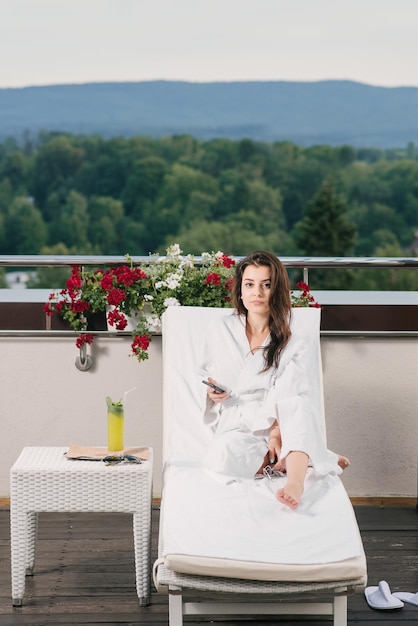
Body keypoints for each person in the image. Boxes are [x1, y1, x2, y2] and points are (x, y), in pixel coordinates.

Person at [199, 250, 349, 510]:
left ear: (276, 290)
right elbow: (201, 373)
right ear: (240, 290)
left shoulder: (293, 343)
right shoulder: (219, 329)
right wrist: (212, 391)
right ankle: (304, 458)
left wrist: (276, 435)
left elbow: (289, 392)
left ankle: (295, 482)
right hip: (238, 422)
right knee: (219, 455)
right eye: (249, 284)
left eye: (266, 285)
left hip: (280, 419)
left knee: (298, 405)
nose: (256, 292)